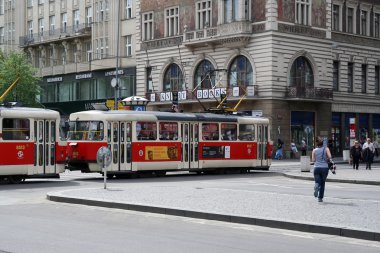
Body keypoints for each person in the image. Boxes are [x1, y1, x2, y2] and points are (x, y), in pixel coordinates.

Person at [311, 136, 332, 203]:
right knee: (323, 183)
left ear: (317, 143)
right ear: (323, 143)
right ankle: (320, 198)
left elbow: (313, 160)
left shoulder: (314, 150)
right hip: (324, 168)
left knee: (317, 181)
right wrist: (326, 159)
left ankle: (317, 185)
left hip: (316, 168)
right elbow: (330, 157)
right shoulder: (326, 149)